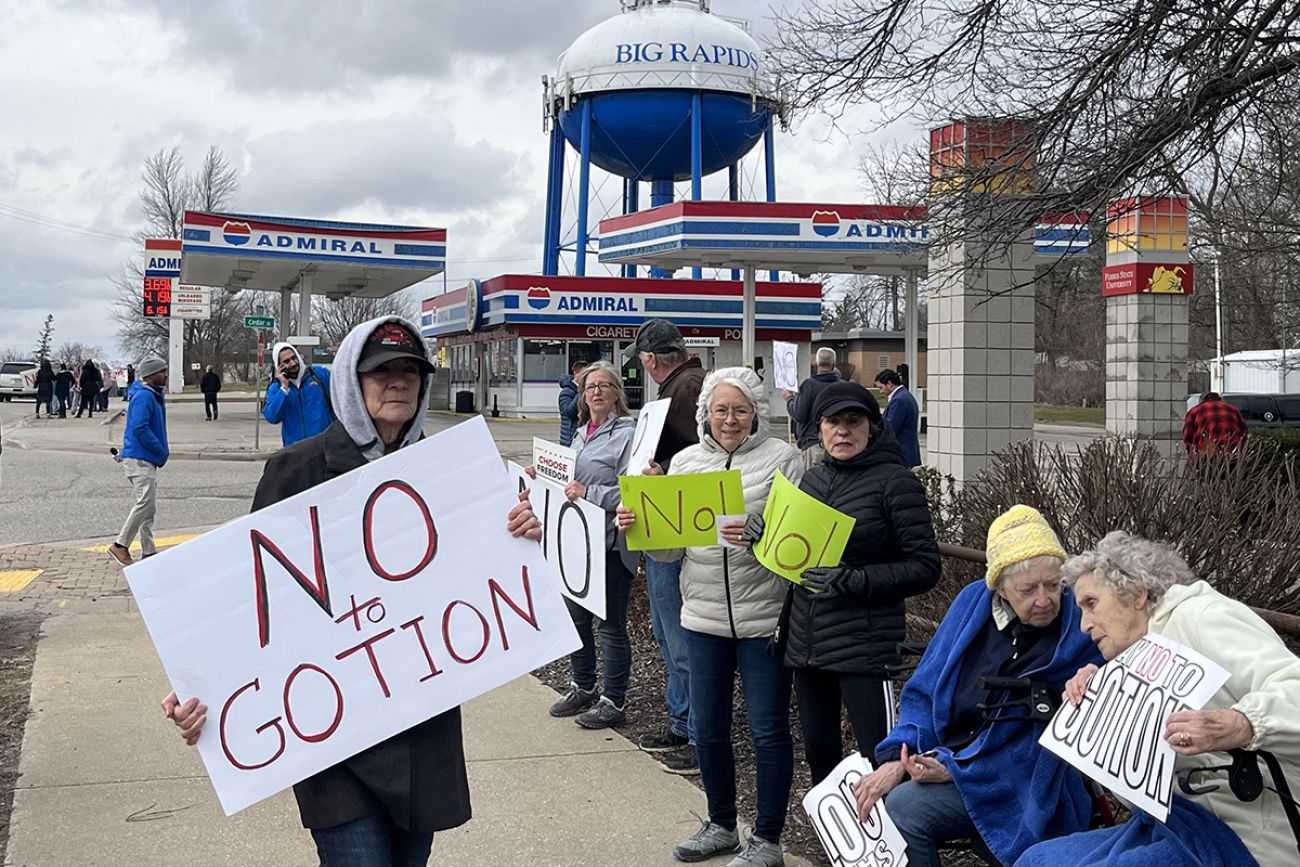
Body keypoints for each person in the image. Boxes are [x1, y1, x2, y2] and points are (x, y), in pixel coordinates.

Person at [162, 316, 544, 867]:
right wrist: (196, 683)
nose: (398, 382)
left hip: (422, 728)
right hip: (332, 735)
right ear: (349, 381)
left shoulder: (452, 477)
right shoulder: (295, 470)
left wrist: (523, 536)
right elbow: (247, 600)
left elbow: (491, 579)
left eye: (410, 371)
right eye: (380, 371)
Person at [1016, 531, 1300, 867]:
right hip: (1181, 823)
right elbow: (1135, 793)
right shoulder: (1134, 657)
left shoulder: (1200, 616)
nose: (1083, 625)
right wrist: (1102, 709)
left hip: (1254, 833)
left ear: (1137, 593)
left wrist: (1244, 723)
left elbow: (1293, 684)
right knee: (1037, 859)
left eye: (1091, 604)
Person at [619, 367, 803, 867]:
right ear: (704, 413)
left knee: (768, 731)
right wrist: (644, 523)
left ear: (756, 414)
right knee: (710, 728)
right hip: (700, 616)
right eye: (720, 409)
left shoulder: (783, 459)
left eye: (740, 409)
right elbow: (666, 554)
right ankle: (721, 823)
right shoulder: (684, 463)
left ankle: (767, 839)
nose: (729, 419)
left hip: (764, 618)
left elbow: (799, 544)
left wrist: (766, 533)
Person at [851, 505, 1104, 867]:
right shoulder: (973, 603)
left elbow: (1054, 728)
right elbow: (925, 688)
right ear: (999, 586)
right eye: (1028, 589)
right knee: (879, 796)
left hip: (1017, 778)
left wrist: (954, 770)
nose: (1045, 599)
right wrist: (899, 758)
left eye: (1053, 584)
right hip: (953, 758)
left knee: (905, 808)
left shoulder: (1078, 622)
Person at [745, 382, 941, 786]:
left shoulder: (896, 482)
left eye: (854, 421)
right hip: (807, 643)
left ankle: (892, 846)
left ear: (872, 427)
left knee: (880, 755)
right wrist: (761, 538)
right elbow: (792, 562)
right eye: (833, 422)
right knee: (820, 756)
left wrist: (853, 580)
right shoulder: (812, 480)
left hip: (866, 647)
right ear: (820, 427)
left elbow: (925, 567)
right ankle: (835, 846)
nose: (843, 431)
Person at [623, 318, 707, 773]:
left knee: (678, 636)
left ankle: (696, 732)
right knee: (667, 632)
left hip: (677, 528)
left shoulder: (684, 389)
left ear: (650, 360)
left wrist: (663, 472)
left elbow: (706, 457)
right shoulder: (687, 384)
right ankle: (681, 720)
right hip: (668, 524)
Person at [537, 361, 638, 728]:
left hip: (611, 543)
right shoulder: (581, 433)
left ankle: (614, 700)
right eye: (590, 386)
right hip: (576, 545)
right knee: (575, 618)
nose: (596, 391)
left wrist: (590, 491)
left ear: (616, 394)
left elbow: (633, 491)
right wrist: (542, 475)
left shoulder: (628, 434)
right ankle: (583, 686)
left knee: (610, 625)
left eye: (604, 385)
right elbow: (567, 482)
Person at [108, 357, 169, 566]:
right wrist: (160, 450)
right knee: (144, 503)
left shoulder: (151, 395)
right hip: (140, 458)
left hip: (144, 458)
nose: (166, 375)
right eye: (162, 371)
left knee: (148, 507)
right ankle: (120, 545)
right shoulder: (144, 397)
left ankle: (149, 551)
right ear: (150, 374)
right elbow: (139, 428)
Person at [264, 342, 334, 446]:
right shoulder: (275, 388)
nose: (293, 363)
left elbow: (340, 403)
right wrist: (284, 388)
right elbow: (272, 417)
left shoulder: (320, 375)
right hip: (295, 451)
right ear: (279, 366)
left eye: (294, 358)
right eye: (286, 361)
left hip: (325, 447)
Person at [782, 347, 841, 467]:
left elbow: (799, 414)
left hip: (813, 442)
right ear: (833, 364)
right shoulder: (842, 387)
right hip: (837, 442)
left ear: (816, 363)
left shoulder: (809, 385)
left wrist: (789, 399)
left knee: (812, 483)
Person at [874, 368, 921, 468]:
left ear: (889, 384)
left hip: (901, 454)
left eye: (881, 387)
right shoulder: (905, 396)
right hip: (907, 452)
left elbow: (890, 428)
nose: (881, 392)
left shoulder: (899, 400)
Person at [1183, 391, 1248, 456]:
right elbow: (1244, 432)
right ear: (1219, 398)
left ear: (1202, 400)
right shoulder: (1233, 410)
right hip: (1231, 453)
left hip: (1206, 454)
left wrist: (1192, 455)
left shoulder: (1194, 411)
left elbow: (1188, 436)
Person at [557, 358, 584, 447]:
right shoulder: (567, 392)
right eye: (584, 374)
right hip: (569, 439)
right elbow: (569, 413)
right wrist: (581, 392)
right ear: (576, 374)